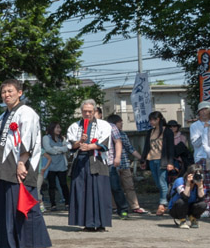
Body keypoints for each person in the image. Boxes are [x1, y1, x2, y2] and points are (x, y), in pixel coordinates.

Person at [0, 79, 50, 248]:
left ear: (19, 92)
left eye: (10, 91)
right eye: (3, 92)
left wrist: (22, 162)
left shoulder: (26, 112)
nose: (6, 95)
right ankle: (11, 243)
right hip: (4, 167)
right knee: (7, 206)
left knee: (26, 203)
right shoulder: (1, 117)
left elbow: (28, 138)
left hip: (23, 165)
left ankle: (35, 243)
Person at [65, 99, 112, 231]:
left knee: (100, 192)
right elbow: (70, 145)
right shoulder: (74, 126)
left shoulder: (104, 125)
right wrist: (80, 142)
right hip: (80, 161)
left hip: (97, 161)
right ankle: (88, 223)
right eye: (84, 111)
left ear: (95, 111)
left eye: (90, 111)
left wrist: (90, 146)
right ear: (81, 112)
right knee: (83, 192)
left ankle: (101, 223)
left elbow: (105, 142)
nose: (87, 114)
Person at [106, 113, 142, 218]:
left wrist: (141, 158)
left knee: (129, 186)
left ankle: (134, 206)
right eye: (120, 123)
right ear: (114, 123)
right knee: (113, 187)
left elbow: (130, 148)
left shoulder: (122, 134)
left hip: (124, 163)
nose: (122, 124)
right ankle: (115, 206)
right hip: (112, 164)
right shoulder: (105, 133)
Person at [142, 111, 175, 214]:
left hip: (162, 160)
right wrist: (143, 160)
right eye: (150, 120)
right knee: (158, 182)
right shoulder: (150, 132)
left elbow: (171, 148)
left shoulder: (167, 131)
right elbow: (146, 147)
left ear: (159, 119)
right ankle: (167, 202)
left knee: (162, 182)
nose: (151, 122)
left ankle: (162, 204)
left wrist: (170, 162)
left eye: (154, 119)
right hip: (151, 159)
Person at [41, 121, 70, 210]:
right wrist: (59, 151)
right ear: (52, 128)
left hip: (61, 164)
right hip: (51, 165)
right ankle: (53, 204)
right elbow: (48, 149)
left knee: (63, 184)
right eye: (57, 127)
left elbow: (66, 148)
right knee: (52, 185)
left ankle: (67, 203)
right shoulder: (46, 138)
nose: (59, 129)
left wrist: (56, 148)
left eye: (59, 128)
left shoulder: (62, 138)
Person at [168, 164, 207, 228]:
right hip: (176, 208)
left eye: (199, 175)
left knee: (203, 204)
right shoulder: (180, 181)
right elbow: (185, 197)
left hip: (189, 207)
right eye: (194, 175)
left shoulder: (200, 182)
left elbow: (201, 199)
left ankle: (193, 218)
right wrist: (188, 184)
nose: (196, 177)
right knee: (181, 201)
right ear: (188, 174)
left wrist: (200, 186)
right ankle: (182, 220)